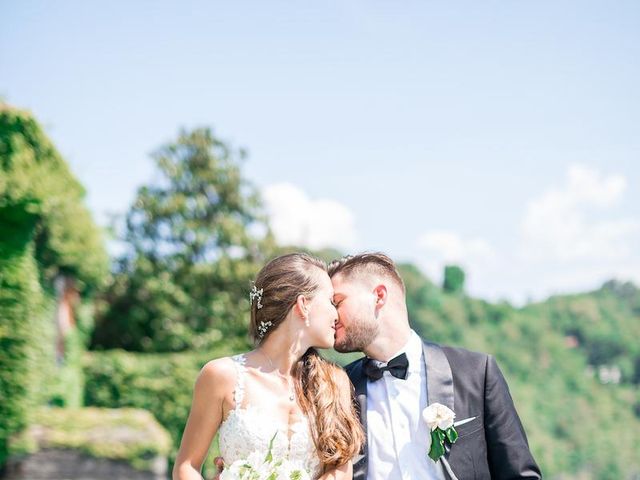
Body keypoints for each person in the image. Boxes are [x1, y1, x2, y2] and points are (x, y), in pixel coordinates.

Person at [328, 253, 542, 480]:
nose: (331, 314)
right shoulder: (337, 389)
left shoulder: (477, 372)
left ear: (379, 296)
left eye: (338, 302)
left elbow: (520, 475)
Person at [173, 253, 364, 480]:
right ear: (303, 305)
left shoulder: (335, 382)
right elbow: (186, 467)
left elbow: (341, 468)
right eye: (331, 302)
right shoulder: (221, 376)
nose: (336, 314)